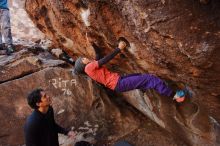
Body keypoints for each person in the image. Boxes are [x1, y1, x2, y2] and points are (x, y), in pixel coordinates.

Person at [73, 39, 187, 103]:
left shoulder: (90, 69)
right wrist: (119, 48)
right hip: (118, 83)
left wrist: (92, 43)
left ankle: (144, 87)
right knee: (151, 79)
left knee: (140, 76)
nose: (85, 58)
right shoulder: (88, 68)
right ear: (82, 64)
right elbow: (104, 59)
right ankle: (174, 95)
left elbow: (98, 55)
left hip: (118, 82)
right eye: (82, 59)